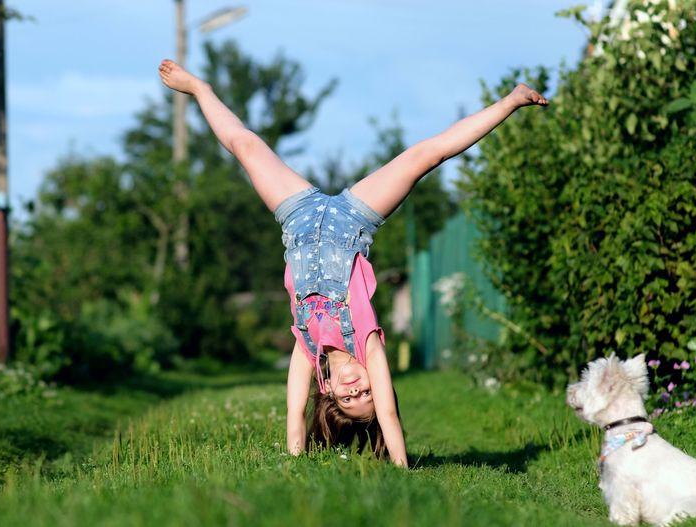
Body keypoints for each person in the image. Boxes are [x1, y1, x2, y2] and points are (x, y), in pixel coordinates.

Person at [159, 58, 548, 468]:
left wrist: (296, 461)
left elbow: (294, 417)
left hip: (298, 217)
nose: (356, 388)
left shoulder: (308, 349)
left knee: (247, 146)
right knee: (424, 156)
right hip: (352, 220)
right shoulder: (368, 343)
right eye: (366, 394)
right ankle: (511, 100)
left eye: (348, 397)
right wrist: (402, 466)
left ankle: (200, 89)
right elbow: (390, 416)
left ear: (329, 394)